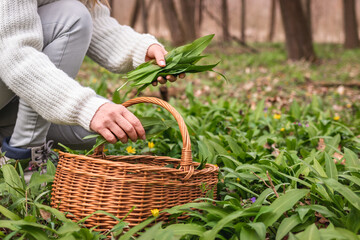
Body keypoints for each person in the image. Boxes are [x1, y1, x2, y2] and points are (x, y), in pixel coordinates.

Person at [0, 0, 184, 177]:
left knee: (100, 131)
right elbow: (15, 54)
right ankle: (23, 159)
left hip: (9, 96)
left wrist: (141, 50)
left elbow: (95, 23)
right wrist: (84, 107)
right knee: (73, 15)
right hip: (11, 64)